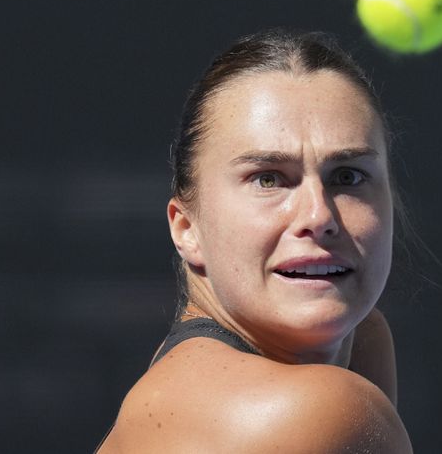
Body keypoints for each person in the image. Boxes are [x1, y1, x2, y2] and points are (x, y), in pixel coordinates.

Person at [97, 29, 413, 453]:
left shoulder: (363, 344)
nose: (318, 217)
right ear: (186, 228)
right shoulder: (328, 409)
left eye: (348, 176)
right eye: (268, 179)